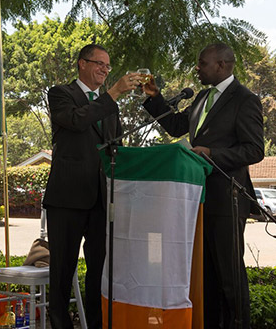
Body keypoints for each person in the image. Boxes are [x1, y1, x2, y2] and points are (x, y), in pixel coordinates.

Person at [142, 43, 264, 328]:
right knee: (205, 274)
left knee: (229, 274)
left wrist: (213, 153)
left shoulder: (244, 100)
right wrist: (155, 98)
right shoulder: (201, 98)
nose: (197, 68)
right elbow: (175, 126)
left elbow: (254, 150)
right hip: (197, 197)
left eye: (202, 63)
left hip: (228, 197)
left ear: (221, 65)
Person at [42, 44, 139, 328]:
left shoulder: (110, 106)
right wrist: (114, 92)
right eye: (99, 64)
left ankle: (96, 324)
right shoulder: (61, 94)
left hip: (101, 199)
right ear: (82, 64)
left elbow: (116, 148)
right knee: (62, 270)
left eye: (108, 67)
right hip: (67, 198)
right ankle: (60, 323)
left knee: (99, 271)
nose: (105, 70)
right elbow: (76, 120)